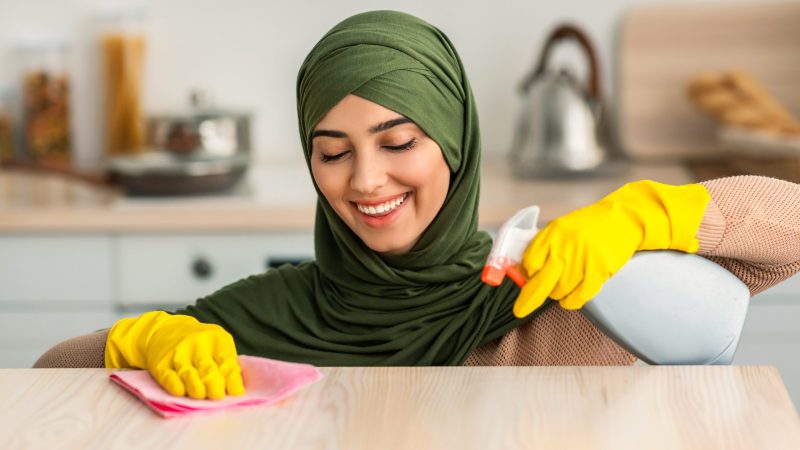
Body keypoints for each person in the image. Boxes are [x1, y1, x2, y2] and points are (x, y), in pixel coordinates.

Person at [40, 11, 800, 400]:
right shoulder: (266, 320)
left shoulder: (562, 294)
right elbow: (45, 378)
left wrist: (648, 215)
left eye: (397, 142)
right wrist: (138, 339)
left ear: (455, 143)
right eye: (332, 152)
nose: (366, 181)